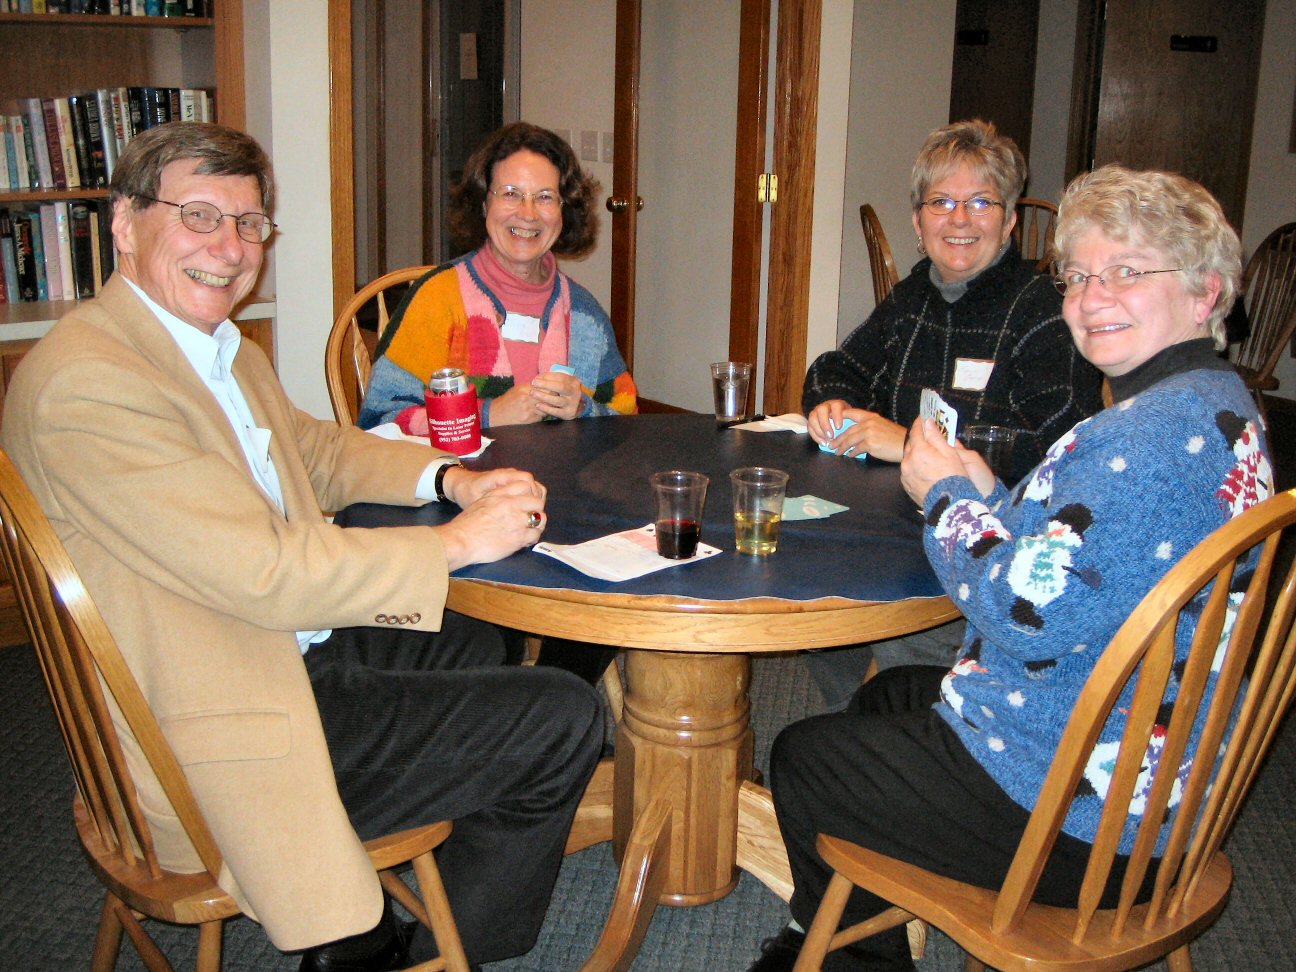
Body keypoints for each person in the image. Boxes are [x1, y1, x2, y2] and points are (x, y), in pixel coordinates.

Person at [0, 122, 603, 972]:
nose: (230, 248)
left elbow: (316, 452)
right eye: (199, 216)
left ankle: (396, 881)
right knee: (562, 717)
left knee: (472, 634)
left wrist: (449, 480)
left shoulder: (209, 350)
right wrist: (455, 544)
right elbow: (268, 572)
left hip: (267, 643)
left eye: (249, 224)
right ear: (126, 223)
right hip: (216, 723)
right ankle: (419, 948)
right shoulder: (91, 384)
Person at [745, 165, 1273, 972]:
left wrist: (946, 496)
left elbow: (1022, 611)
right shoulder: (1212, 402)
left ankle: (857, 962)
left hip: (1090, 821)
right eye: (1080, 276)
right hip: (1142, 750)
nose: (1092, 298)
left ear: (1205, 293)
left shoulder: (1145, 440)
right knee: (889, 696)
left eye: (1127, 272)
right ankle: (858, 929)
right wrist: (994, 491)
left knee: (807, 757)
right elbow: (1091, 550)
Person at [800, 119, 1104, 708]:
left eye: (981, 202)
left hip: (989, 541)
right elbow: (836, 367)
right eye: (941, 202)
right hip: (892, 518)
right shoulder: (913, 297)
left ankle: (894, 726)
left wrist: (910, 444)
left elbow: (1058, 454)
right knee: (813, 577)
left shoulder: (1042, 312)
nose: (959, 219)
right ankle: (846, 720)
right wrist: (832, 401)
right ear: (918, 223)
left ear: (1009, 221)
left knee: (902, 652)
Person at [358, 121, 637, 432]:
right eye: (511, 194)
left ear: (564, 210)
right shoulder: (437, 299)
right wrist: (486, 415)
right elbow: (380, 424)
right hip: (460, 465)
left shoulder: (584, 314)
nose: (528, 213)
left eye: (545, 197)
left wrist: (585, 409)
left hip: (560, 465)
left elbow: (625, 421)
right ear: (483, 203)